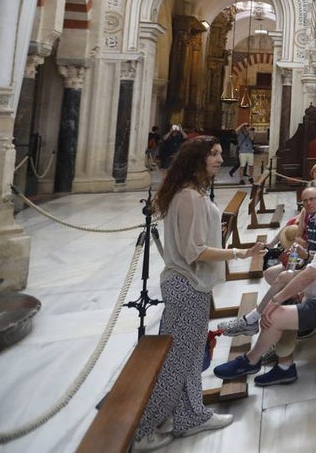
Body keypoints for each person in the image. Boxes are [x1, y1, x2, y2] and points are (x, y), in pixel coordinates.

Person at [133, 137, 263, 451]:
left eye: (220, 153)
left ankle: (190, 415)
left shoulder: (190, 192)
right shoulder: (189, 197)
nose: (220, 158)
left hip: (192, 284)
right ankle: (142, 429)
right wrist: (239, 253)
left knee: (191, 356)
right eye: (213, 154)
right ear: (196, 159)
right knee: (177, 361)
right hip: (187, 285)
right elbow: (195, 251)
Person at [213, 194, 316, 386]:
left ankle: (251, 360)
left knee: (274, 315)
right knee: (285, 285)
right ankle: (284, 366)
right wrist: (297, 291)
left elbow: (309, 275)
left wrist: (276, 300)